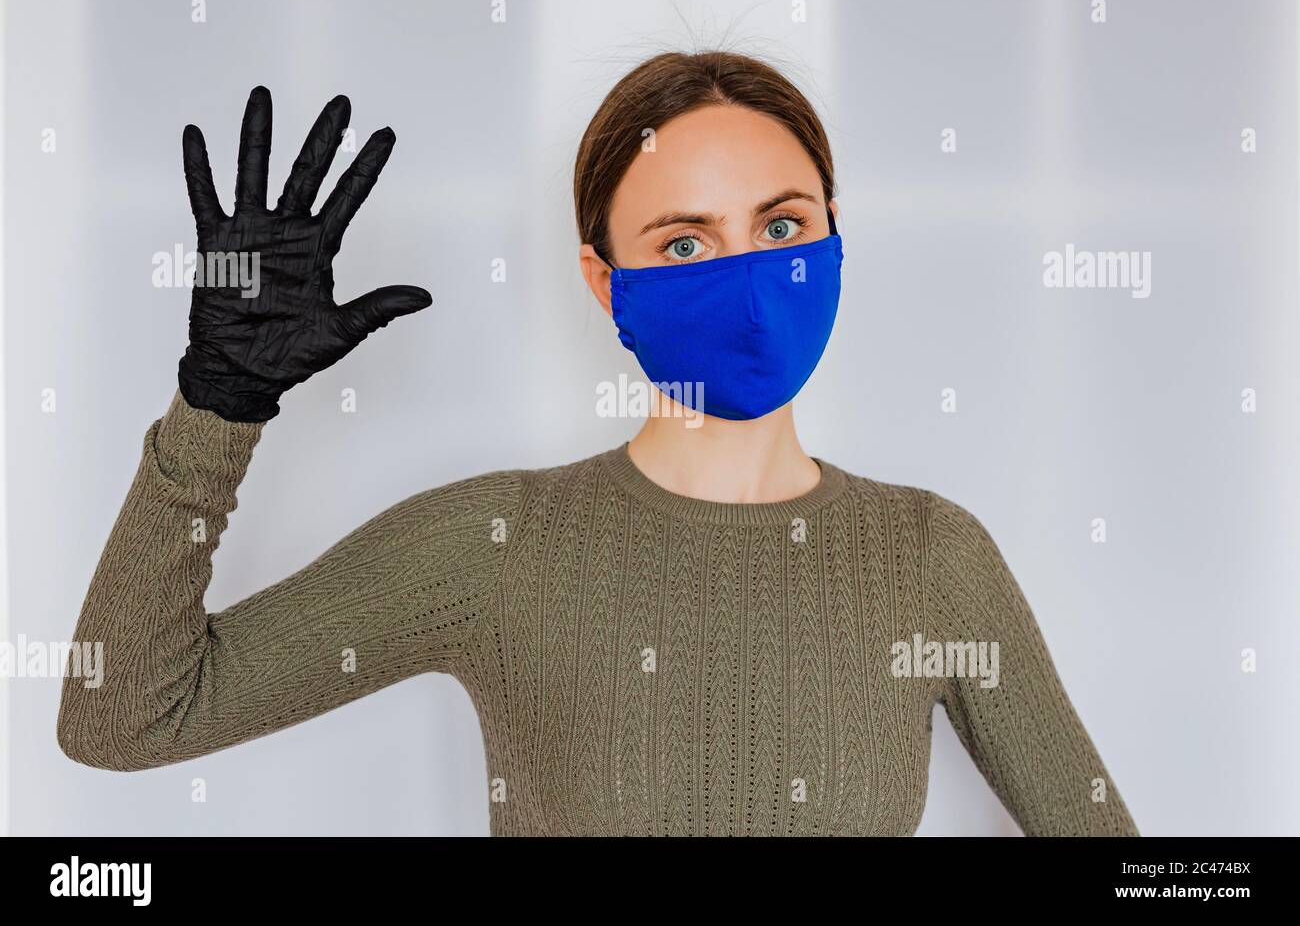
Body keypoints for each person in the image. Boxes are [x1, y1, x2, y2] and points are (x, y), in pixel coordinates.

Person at [56, 51, 1139, 837]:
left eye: (780, 226)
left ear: (833, 231)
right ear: (601, 277)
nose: (747, 272)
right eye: (683, 240)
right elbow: (122, 717)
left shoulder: (927, 554)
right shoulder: (494, 545)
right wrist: (220, 406)